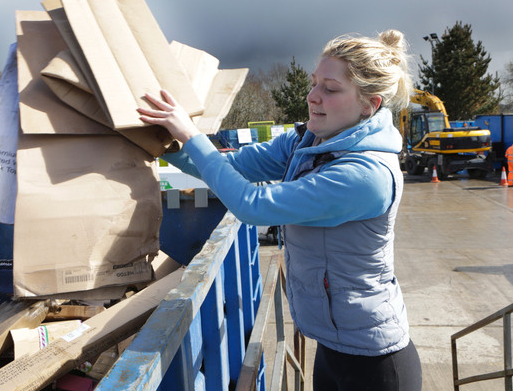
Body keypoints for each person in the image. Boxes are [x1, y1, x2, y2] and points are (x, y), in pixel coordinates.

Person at [138, 30, 422, 391]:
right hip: (333, 344)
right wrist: (163, 145)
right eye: (314, 83)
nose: (312, 97)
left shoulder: (366, 176)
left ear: (370, 104)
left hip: (375, 363)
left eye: (330, 89)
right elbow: (237, 166)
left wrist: (192, 135)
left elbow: (253, 206)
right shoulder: (311, 140)